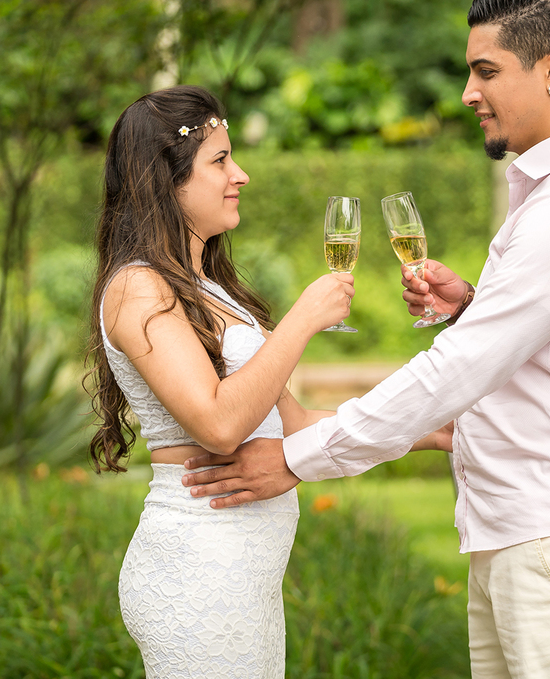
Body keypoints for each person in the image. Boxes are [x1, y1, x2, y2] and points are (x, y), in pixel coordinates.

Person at [181, 0, 550, 679]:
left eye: (486, 72)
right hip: (528, 533)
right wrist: (476, 306)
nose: (469, 93)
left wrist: (297, 458)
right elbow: (532, 350)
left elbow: (455, 372)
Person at [88, 86, 448, 678]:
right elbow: (220, 424)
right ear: (165, 180)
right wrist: (303, 319)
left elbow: (297, 425)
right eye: (220, 160)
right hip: (197, 574)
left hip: (241, 579)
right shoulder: (138, 288)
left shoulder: (210, 289)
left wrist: (429, 428)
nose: (242, 175)